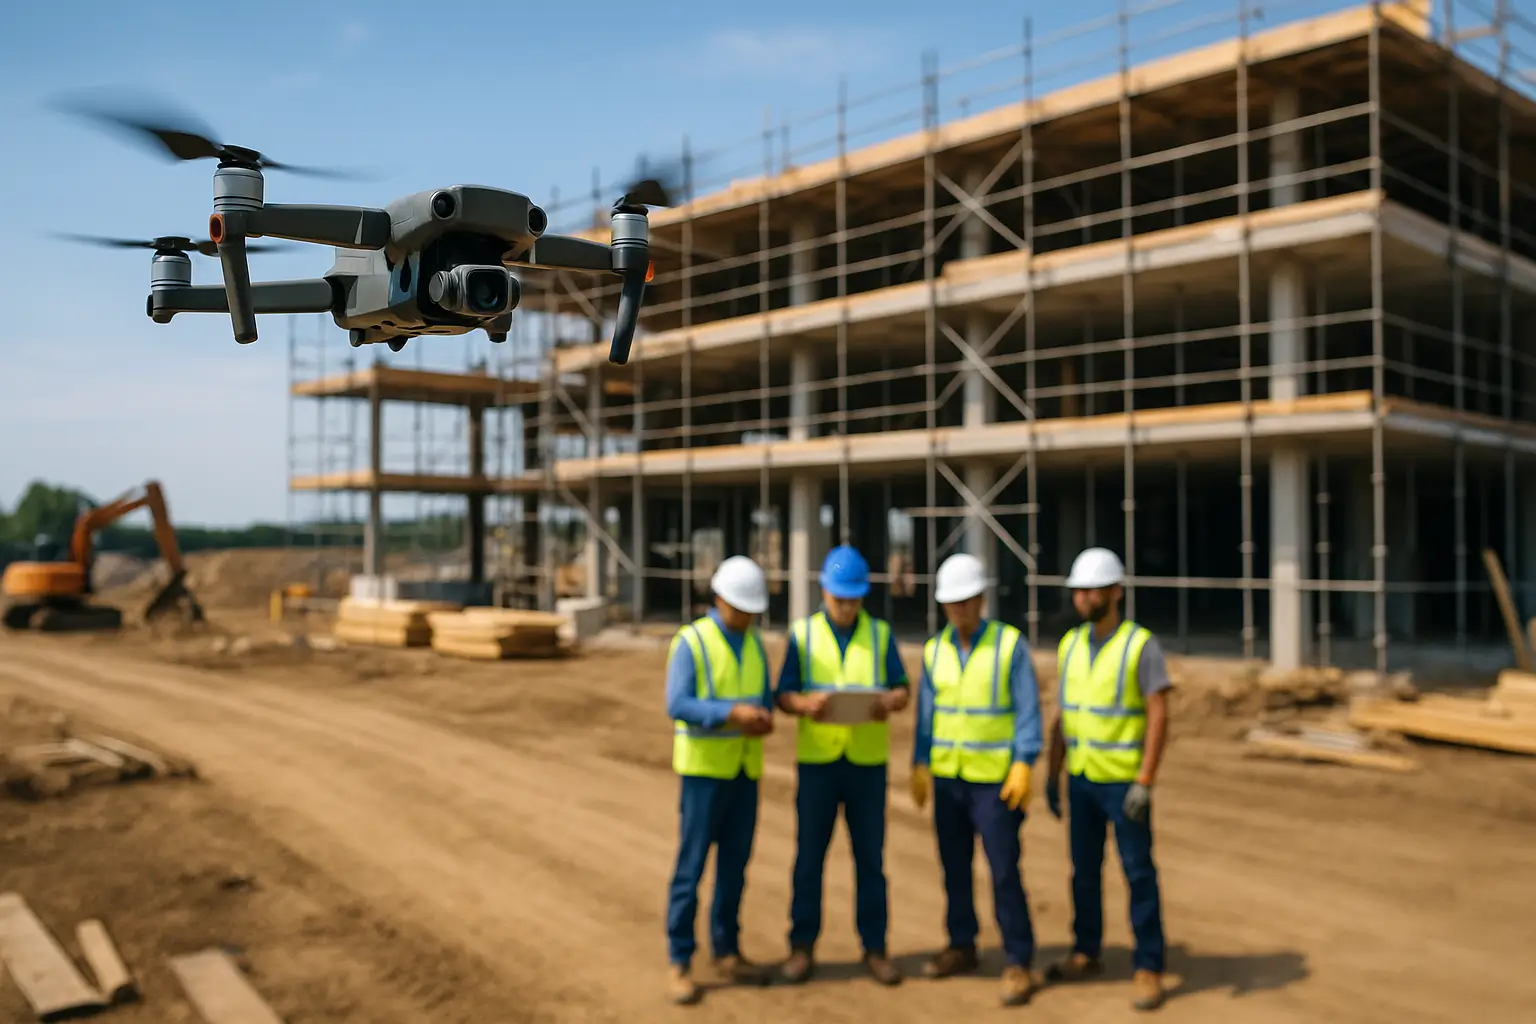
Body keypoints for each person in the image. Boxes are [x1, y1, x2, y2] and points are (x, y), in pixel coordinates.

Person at [909, 552, 1043, 1007]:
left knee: (1004, 871)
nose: (959, 610)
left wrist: (1024, 761)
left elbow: (1027, 711)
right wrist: (920, 761)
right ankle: (961, 944)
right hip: (949, 780)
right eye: (952, 603)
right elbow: (927, 715)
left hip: (995, 782)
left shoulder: (1009, 646)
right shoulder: (933, 651)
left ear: (982, 599)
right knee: (954, 868)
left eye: (967, 601)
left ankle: (1018, 959)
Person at [1042, 547, 1172, 1013]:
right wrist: (1052, 773)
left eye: (1094, 589)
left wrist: (1145, 780)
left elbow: (1159, 714)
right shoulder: (1070, 645)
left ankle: (1149, 965)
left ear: (1117, 592)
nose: (1085, 598)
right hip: (1082, 779)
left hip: (1123, 783)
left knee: (1138, 873)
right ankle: (1086, 950)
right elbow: (1064, 715)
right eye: (1079, 591)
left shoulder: (1140, 645)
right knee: (1083, 872)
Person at [775, 545, 910, 987]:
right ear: (824, 593)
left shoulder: (881, 634)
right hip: (818, 764)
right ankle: (801, 946)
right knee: (809, 859)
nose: (847, 607)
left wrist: (891, 701)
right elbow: (784, 694)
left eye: (854, 599)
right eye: (840, 599)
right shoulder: (803, 635)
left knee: (870, 860)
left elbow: (901, 689)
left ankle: (875, 948)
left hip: (867, 766)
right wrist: (803, 704)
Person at [662, 555, 777, 1005]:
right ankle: (680, 959)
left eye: (752, 610)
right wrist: (730, 714)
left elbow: (762, 697)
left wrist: (761, 718)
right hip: (703, 773)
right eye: (740, 608)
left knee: (734, 868)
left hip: (745, 770)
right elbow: (678, 703)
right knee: (691, 870)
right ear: (720, 599)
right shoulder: (692, 642)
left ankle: (727, 948)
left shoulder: (754, 645)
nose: (747, 617)